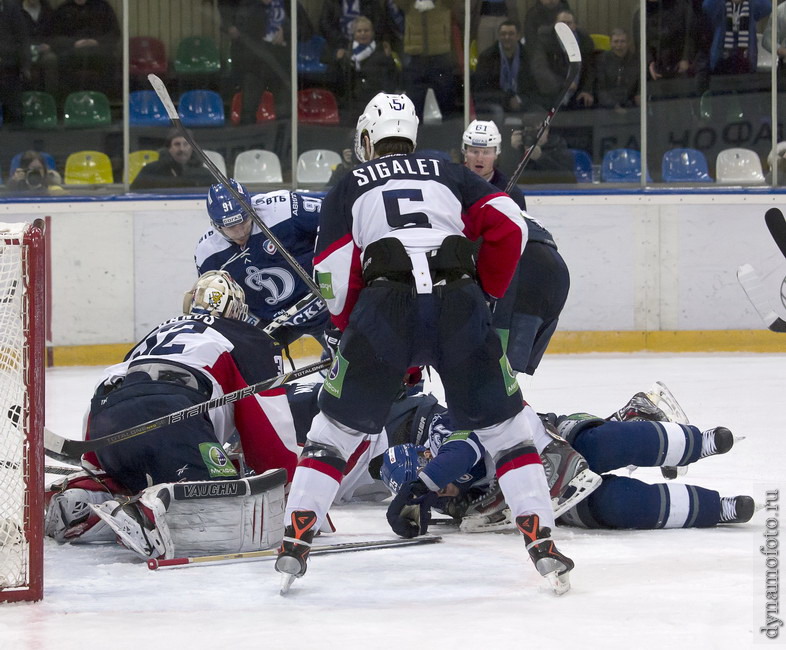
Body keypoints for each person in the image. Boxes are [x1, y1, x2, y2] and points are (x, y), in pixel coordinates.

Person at [274, 92, 574, 595]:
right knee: (508, 432)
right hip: (459, 304)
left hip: (383, 311)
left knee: (335, 431)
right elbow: (511, 226)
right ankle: (542, 543)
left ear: (368, 138)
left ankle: (295, 542)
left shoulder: (347, 184)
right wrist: (486, 291)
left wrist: (350, 326)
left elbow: (329, 271)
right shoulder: (449, 173)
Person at [44, 270, 294, 560]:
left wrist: (97, 463)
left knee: (127, 479)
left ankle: (85, 499)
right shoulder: (247, 336)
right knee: (221, 499)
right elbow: (264, 416)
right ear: (237, 309)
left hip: (107, 420)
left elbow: (116, 389)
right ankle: (152, 512)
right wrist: (288, 477)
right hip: (175, 418)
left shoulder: (157, 332)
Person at [381, 386, 755, 531]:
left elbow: (460, 454)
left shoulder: (445, 432)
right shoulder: (440, 499)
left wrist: (424, 485)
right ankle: (716, 508)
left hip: (549, 441)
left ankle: (698, 442)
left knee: (608, 444)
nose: (440, 490)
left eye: (427, 477)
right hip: (550, 491)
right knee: (618, 506)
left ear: (425, 455)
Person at [461, 120, 570, 376]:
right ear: (464, 151)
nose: (479, 157)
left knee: (505, 348)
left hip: (506, 278)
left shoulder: (513, 193)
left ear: (496, 153)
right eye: (474, 150)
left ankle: (503, 386)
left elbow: (514, 248)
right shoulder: (451, 184)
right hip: (470, 274)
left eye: (486, 151)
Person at [194, 179, 330, 349]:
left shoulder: (283, 208)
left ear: (251, 208)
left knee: (349, 361)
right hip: (272, 323)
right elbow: (219, 303)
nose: (240, 232)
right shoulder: (207, 254)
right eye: (230, 228)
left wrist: (333, 274)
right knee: (244, 362)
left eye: (243, 221)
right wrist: (250, 325)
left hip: (323, 305)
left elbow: (336, 219)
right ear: (216, 225)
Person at [222, 0, 314, 123]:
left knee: (285, 115)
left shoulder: (289, 4)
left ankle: (284, 141)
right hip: (253, 66)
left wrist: (286, 31)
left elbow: (307, 30)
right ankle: (250, 141)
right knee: (248, 114)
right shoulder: (247, 5)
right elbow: (234, 30)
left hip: (281, 66)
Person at [393, 0, 459, 119]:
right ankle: (414, 135)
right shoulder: (410, 4)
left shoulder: (443, 3)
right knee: (413, 106)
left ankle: (450, 134)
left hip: (441, 55)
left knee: (446, 102)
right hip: (415, 57)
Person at [48, 0, 120, 101]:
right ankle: (67, 103)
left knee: (112, 61)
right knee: (61, 62)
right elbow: (54, 37)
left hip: (99, 51)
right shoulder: (63, 10)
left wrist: (97, 42)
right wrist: (73, 43)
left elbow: (114, 34)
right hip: (72, 52)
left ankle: (104, 102)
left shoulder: (103, 7)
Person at [331, 15, 400, 117]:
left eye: (366, 30)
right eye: (359, 31)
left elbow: (392, 77)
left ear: (372, 33)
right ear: (354, 34)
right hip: (351, 106)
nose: (363, 34)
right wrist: (339, 61)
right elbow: (338, 80)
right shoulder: (345, 53)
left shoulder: (383, 52)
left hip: (376, 105)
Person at [473, 20, 540, 119]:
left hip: (521, 100)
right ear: (499, 36)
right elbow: (481, 91)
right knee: (497, 112)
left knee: (539, 112)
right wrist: (507, 99)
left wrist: (519, 99)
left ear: (518, 36)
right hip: (495, 102)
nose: (507, 37)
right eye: (503, 34)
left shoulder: (527, 56)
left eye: (511, 34)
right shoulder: (487, 57)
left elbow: (533, 87)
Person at [529, 10, 595, 111]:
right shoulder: (544, 40)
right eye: (562, 23)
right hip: (552, 92)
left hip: (577, 92)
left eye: (569, 23)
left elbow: (591, 68)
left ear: (574, 26)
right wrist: (564, 84)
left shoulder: (585, 40)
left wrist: (587, 90)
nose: (566, 26)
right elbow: (540, 69)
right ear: (555, 25)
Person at [129, 128, 216, 191]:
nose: (182, 149)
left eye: (186, 144)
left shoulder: (204, 174)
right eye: (177, 144)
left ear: (192, 148)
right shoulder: (151, 170)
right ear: (169, 148)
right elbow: (133, 194)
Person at [633, 0, 697, 82]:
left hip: (679, 64)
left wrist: (686, 58)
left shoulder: (681, 7)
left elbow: (691, 34)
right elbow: (640, 42)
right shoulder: (640, 13)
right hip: (654, 68)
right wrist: (649, 62)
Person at [701, 0, 770, 75]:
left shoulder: (752, 6)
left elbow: (767, 6)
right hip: (721, 60)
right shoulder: (720, 6)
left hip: (746, 61)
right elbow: (707, 5)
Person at [507, 115, 576, 184]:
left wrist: (541, 158)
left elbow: (569, 178)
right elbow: (504, 177)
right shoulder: (520, 146)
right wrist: (512, 150)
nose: (536, 135)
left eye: (539, 131)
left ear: (548, 130)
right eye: (531, 131)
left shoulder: (559, 147)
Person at [0, 0, 32, 125]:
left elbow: (22, 37)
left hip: (10, 64)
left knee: (15, 110)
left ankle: (17, 134)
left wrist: (26, 66)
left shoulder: (12, 9)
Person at [595, 27, 640, 110]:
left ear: (628, 43)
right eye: (616, 42)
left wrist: (639, 95)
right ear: (610, 43)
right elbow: (600, 88)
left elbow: (640, 84)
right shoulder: (602, 60)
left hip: (630, 103)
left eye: (622, 41)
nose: (619, 45)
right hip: (607, 105)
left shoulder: (636, 60)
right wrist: (614, 106)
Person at [21, 0, 57, 97]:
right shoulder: (16, 10)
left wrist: (50, 45)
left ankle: (50, 100)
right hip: (22, 50)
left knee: (51, 59)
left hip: (43, 50)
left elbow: (55, 33)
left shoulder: (47, 10)